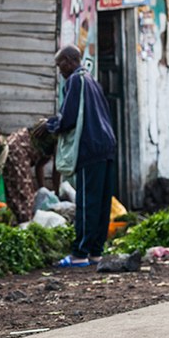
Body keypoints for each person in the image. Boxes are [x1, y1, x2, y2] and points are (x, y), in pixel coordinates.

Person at [41, 45, 116, 267]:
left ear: (71, 60)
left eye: (60, 65)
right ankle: (96, 252)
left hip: (89, 146)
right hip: (107, 145)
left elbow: (69, 118)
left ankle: (79, 253)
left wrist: (49, 125)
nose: (60, 70)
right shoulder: (91, 80)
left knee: (87, 202)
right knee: (102, 201)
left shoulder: (75, 80)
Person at [2, 122, 57, 223]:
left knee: (14, 190)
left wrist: (42, 189)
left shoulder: (49, 141)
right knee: (24, 195)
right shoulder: (57, 136)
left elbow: (39, 165)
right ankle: (25, 227)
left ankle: (16, 221)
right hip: (17, 148)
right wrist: (56, 194)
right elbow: (56, 171)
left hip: (16, 144)